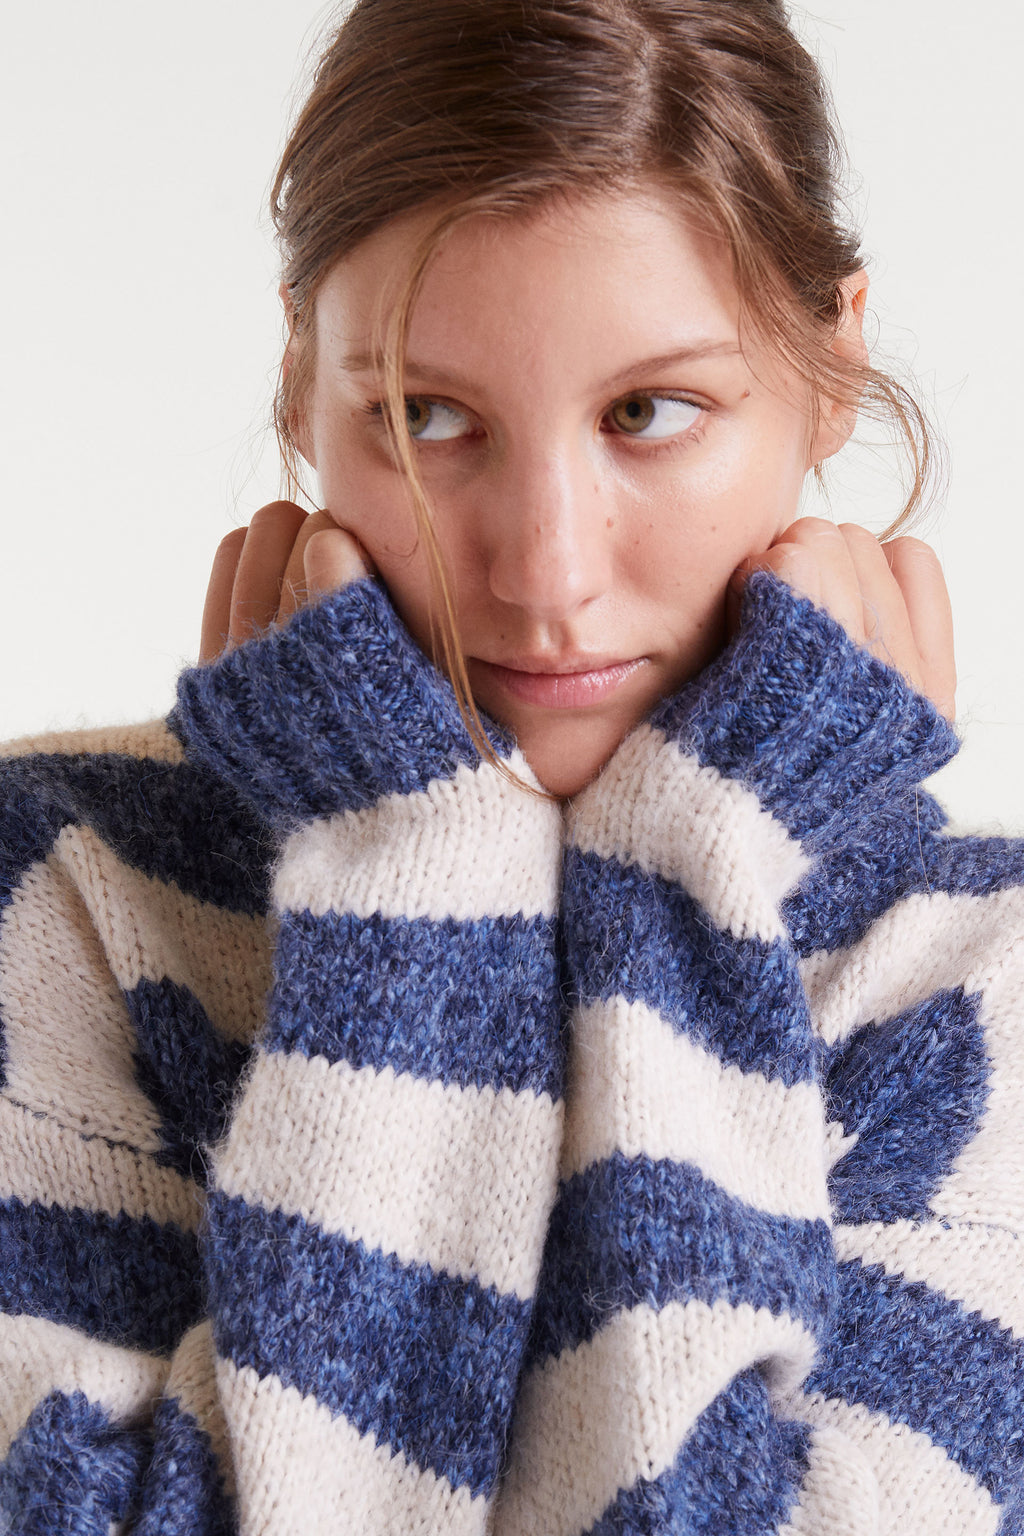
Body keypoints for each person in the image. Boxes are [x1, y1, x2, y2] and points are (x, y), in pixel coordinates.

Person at [1, 1, 1021, 1533]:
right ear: (303, 383)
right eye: (427, 418)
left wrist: (691, 878)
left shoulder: (980, 977)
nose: (544, 575)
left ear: (829, 366)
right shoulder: (57, 884)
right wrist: (413, 873)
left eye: (649, 412)